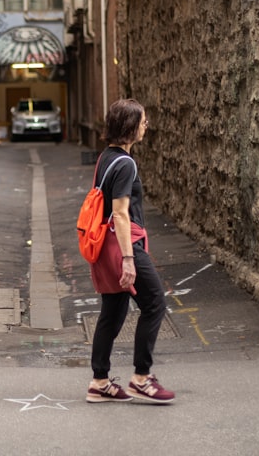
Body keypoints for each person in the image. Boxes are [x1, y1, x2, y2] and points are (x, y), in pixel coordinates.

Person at [86, 98, 175, 404]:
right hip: (123, 245)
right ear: (130, 126)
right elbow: (121, 213)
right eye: (143, 121)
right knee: (154, 304)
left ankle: (99, 381)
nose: (146, 125)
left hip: (104, 245)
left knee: (113, 311)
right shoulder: (125, 164)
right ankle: (141, 378)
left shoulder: (106, 157)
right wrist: (128, 259)